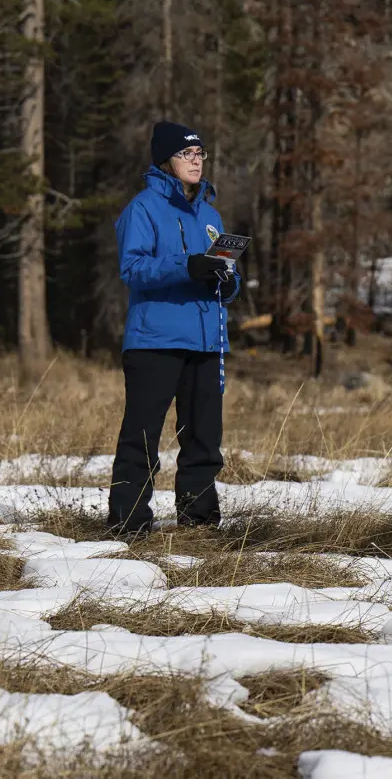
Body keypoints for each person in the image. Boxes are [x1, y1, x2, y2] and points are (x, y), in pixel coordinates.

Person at [107, 121, 241, 539]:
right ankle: (128, 524)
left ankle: (199, 523)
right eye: (187, 154)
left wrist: (227, 277)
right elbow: (133, 269)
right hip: (155, 340)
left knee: (203, 438)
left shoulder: (210, 214)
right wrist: (186, 265)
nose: (196, 161)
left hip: (205, 339)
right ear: (166, 160)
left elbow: (223, 276)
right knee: (142, 435)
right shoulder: (143, 208)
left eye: (201, 154)